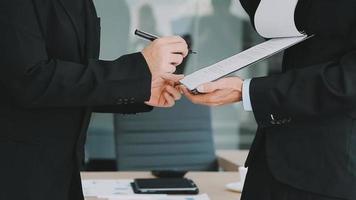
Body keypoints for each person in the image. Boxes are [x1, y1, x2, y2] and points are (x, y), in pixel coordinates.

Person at [0, 0, 188, 199]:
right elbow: (31, 79)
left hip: (62, 171)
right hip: (17, 174)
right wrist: (138, 68)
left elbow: (71, 85)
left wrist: (142, 88)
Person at [181, 0, 356, 199]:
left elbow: (349, 80)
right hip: (271, 159)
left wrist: (248, 91)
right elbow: (270, 20)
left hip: (329, 168)